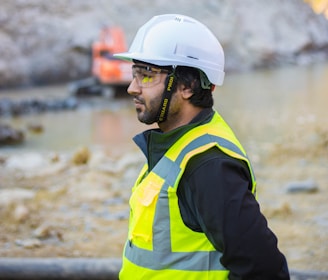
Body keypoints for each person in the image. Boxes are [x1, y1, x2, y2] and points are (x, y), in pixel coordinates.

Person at [114, 14, 290, 280]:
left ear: (187, 86)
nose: (132, 88)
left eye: (147, 76)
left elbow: (263, 269)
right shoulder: (177, 143)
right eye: (134, 74)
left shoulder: (208, 165)